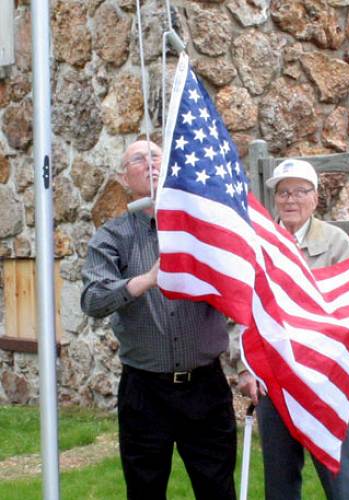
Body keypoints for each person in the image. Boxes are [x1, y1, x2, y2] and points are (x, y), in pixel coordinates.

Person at [81, 140, 236, 500]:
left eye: (156, 156)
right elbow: (92, 300)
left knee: (217, 489)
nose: (149, 163)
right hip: (145, 391)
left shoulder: (202, 228)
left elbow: (240, 286)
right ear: (124, 177)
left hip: (205, 387)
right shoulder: (111, 238)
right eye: (138, 158)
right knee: (145, 490)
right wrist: (144, 281)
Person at [233, 159, 349, 500]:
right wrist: (245, 367)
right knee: (280, 480)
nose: (290, 200)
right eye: (283, 192)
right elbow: (241, 309)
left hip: (322, 382)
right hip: (273, 380)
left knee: (339, 477)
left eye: (299, 192)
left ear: (315, 198)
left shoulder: (337, 243)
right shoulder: (255, 244)